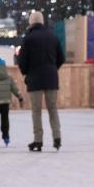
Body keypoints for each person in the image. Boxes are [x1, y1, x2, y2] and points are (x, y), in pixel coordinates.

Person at [17, 11, 64, 150]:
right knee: (52, 109)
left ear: (31, 22)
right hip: (51, 78)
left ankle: (38, 140)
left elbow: (22, 60)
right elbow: (61, 58)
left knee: (36, 111)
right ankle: (57, 138)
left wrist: (26, 72)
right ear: (42, 22)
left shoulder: (28, 38)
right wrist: (52, 69)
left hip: (35, 78)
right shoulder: (53, 37)